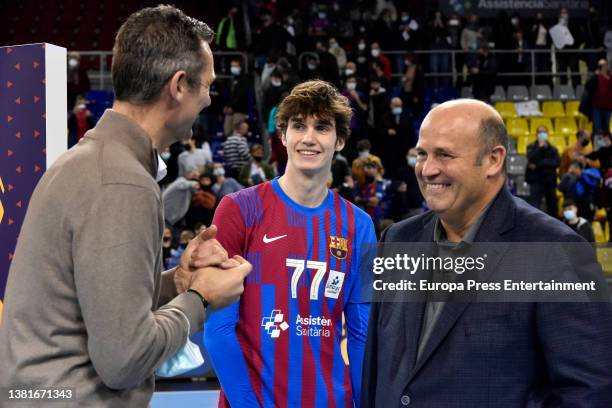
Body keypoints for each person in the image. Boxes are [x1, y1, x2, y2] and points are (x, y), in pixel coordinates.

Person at [0, 6, 252, 406]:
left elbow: (99, 301)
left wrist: (178, 282)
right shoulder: (121, 182)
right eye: (207, 86)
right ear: (179, 85)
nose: (208, 99)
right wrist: (200, 299)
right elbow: (125, 359)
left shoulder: (91, 162)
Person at [362, 99, 612, 407]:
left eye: (444, 154)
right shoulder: (397, 240)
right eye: (422, 154)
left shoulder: (555, 251)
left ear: (493, 160)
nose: (428, 170)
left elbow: (590, 393)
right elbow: (376, 370)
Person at [197, 80, 376, 407]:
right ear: (283, 136)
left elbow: (362, 333)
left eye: (322, 127)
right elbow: (218, 329)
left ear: (340, 141)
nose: (309, 138)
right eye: (298, 126)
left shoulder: (359, 226)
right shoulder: (239, 209)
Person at [526, 125, 561, 217]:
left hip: (550, 181)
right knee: (535, 206)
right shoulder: (531, 147)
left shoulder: (553, 149)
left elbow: (556, 163)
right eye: (540, 132)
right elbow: (531, 158)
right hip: (536, 181)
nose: (542, 134)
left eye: (544, 132)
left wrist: (538, 164)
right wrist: (539, 148)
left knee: (552, 206)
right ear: (536, 134)